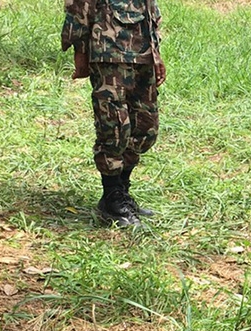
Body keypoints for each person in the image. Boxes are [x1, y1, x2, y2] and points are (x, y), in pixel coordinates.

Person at [63, 0, 166, 228]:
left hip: (143, 52)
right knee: (115, 127)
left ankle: (122, 190)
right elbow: (80, 4)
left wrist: (156, 54)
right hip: (108, 50)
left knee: (145, 127)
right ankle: (112, 198)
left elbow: (149, 8)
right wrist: (80, 49)